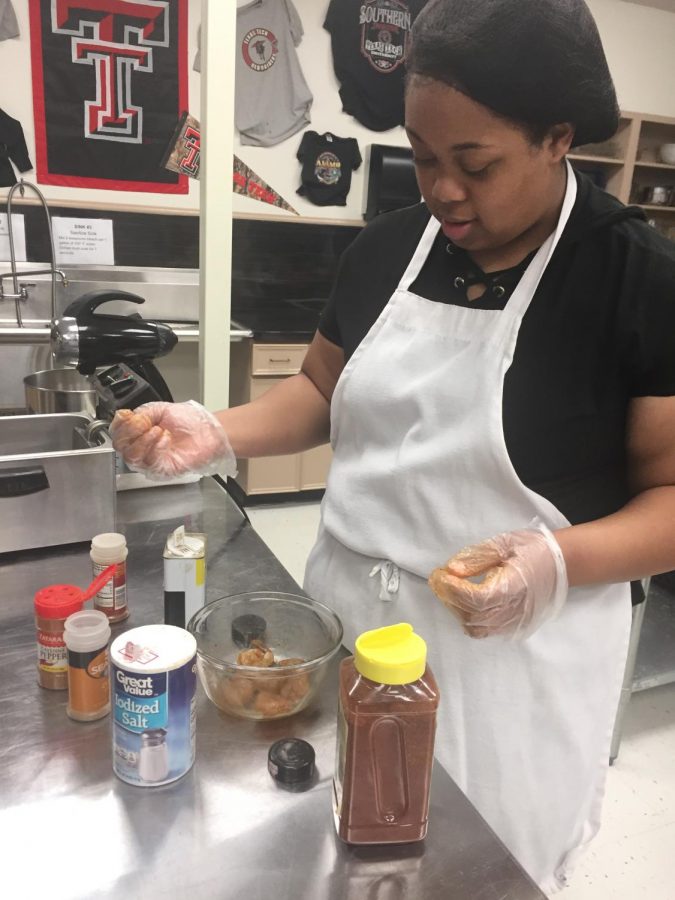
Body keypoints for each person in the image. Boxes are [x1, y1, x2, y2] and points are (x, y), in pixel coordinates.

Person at [111, 0, 675, 891]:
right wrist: (215, 430)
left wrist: (552, 563)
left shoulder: (633, 279)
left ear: (557, 138)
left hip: (511, 667)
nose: (442, 190)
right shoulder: (387, 251)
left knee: (480, 871)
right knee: (340, 852)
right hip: (356, 621)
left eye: (474, 163)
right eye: (423, 156)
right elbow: (319, 394)